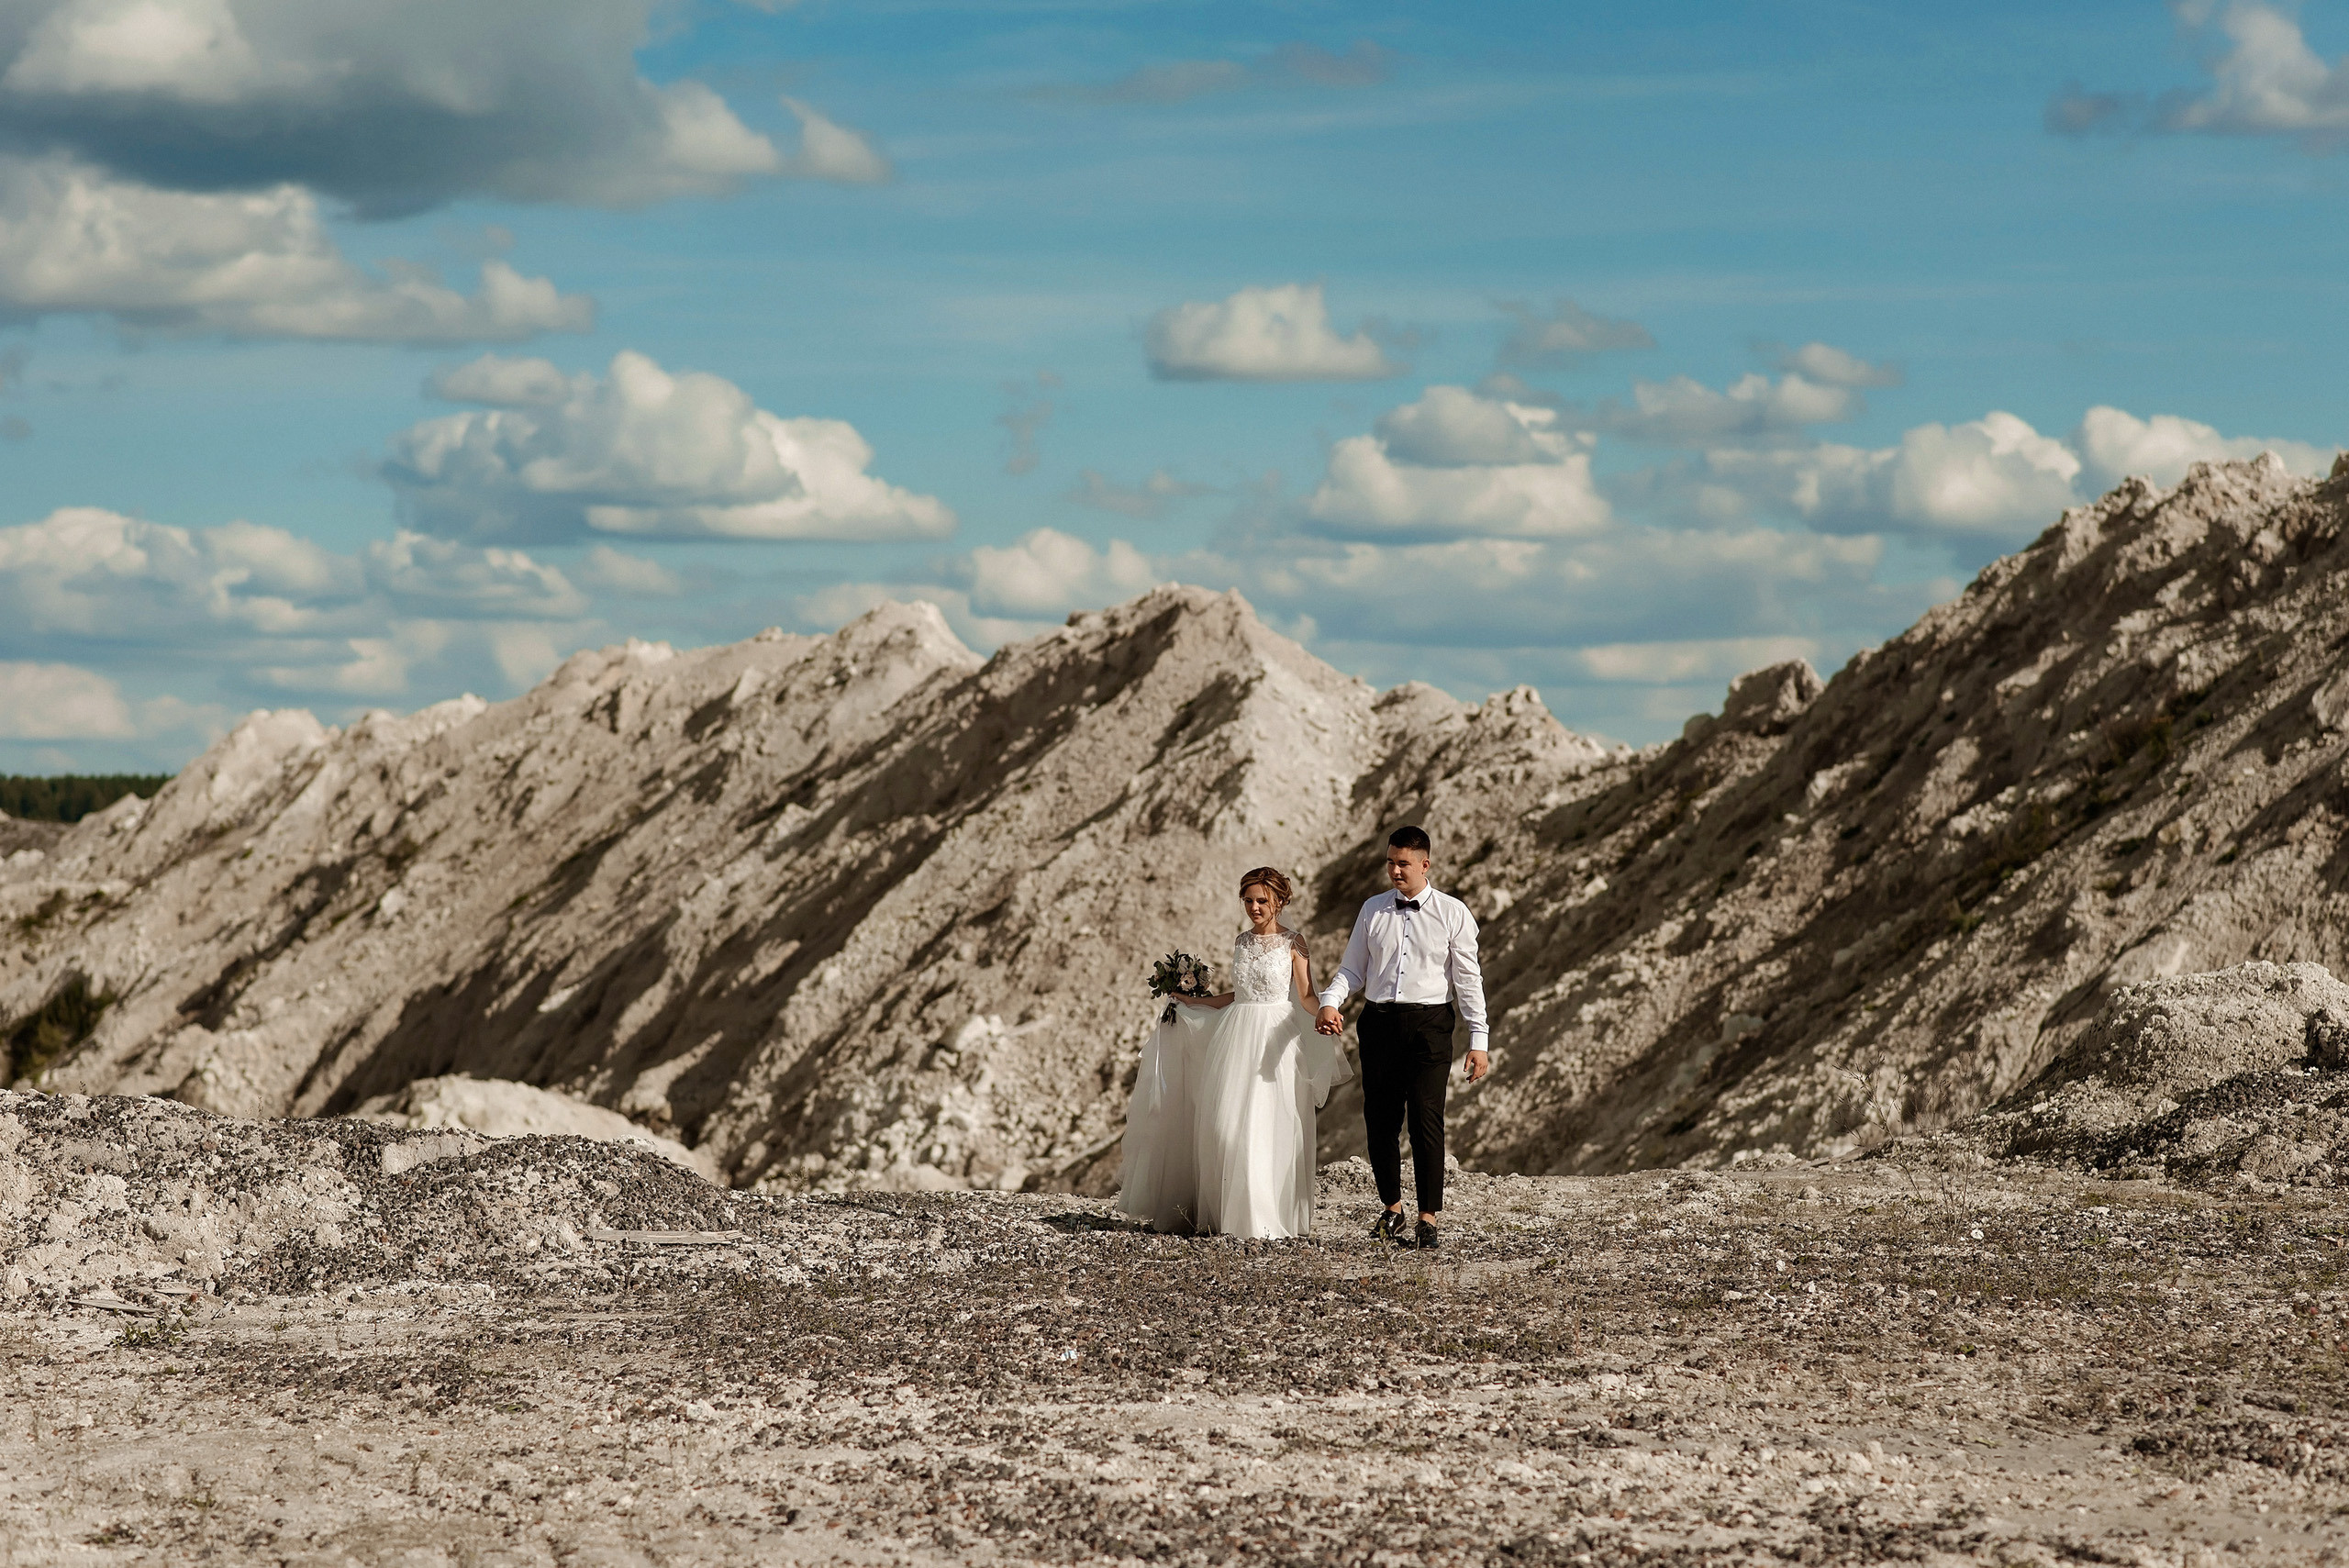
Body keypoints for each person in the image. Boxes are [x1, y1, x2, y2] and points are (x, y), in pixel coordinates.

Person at [1117, 867, 1352, 1239]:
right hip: (1236, 1036)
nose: (1254, 907)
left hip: (1276, 1039)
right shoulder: (1242, 941)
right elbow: (1238, 995)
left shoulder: (1294, 943)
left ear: (1279, 901)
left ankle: (1262, 1220)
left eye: (1262, 901)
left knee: (1267, 1127)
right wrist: (1194, 1003)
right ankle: (1232, 1215)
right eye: (1248, 900)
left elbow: (1305, 996)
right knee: (1225, 1127)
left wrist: (1327, 1009)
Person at [1316, 825, 1488, 1251]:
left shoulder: (1453, 913)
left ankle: (1428, 1217)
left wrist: (1479, 1039)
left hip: (1431, 1026)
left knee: (1426, 1119)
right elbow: (1352, 968)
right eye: (1390, 862)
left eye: (1403, 863)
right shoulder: (1372, 909)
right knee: (1380, 1121)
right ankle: (1392, 1208)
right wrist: (1330, 1001)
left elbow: (1468, 981)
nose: (1395, 870)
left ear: (1425, 865)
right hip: (1378, 1023)